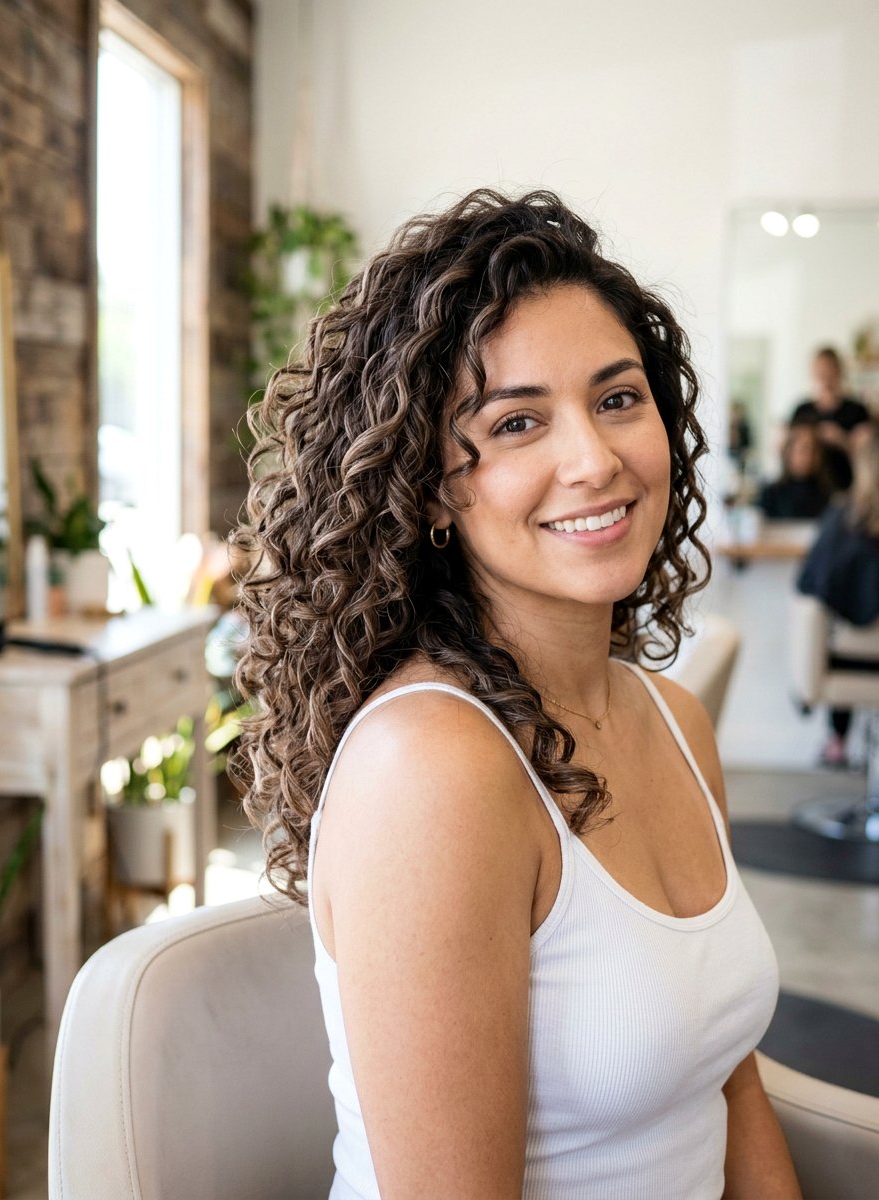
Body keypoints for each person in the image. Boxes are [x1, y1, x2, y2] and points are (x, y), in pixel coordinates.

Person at [233, 190, 800, 1200]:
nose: (592, 460)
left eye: (617, 399)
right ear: (434, 486)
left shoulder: (674, 723)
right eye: (518, 421)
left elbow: (725, 1087)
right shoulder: (434, 771)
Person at [798, 420, 879, 767]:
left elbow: (811, 585)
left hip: (849, 654)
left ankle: (837, 738)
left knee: (831, 628)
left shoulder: (843, 517)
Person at [790, 347, 869, 492]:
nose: (825, 377)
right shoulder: (802, 411)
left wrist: (843, 440)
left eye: (829, 371)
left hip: (845, 488)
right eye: (820, 372)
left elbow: (869, 459)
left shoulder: (857, 411)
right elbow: (790, 454)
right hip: (806, 490)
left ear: (839, 372)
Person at [757, 422, 833, 520]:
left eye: (814, 450)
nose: (809, 456)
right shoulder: (771, 494)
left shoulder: (829, 494)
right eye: (803, 449)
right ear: (789, 452)